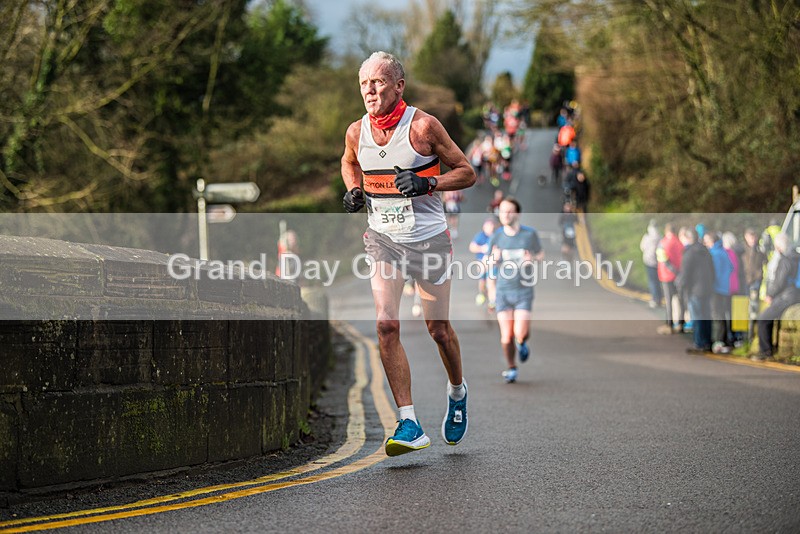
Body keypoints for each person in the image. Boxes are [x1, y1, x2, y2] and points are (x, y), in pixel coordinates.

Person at [341, 51, 476, 456]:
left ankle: (457, 392)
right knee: (386, 325)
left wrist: (427, 183)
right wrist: (353, 189)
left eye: (378, 82)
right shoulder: (356, 131)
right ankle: (408, 421)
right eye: (364, 83)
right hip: (384, 240)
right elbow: (349, 162)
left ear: (399, 86)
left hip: (429, 240)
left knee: (438, 330)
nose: (369, 90)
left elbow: (467, 172)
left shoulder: (422, 127)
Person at [487, 198, 544, 383]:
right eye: (502, 211)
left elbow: (540, 254)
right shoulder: (496, 237)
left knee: (520, 333)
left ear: (518, 213)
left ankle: (522, 342)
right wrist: (494, 259)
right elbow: (486, 265)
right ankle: (511, 368)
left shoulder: (529, 234)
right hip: (503, 292)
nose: (505, 214)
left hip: (523, 292)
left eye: (509, 211)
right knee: (506, 335)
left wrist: (532, 260)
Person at [755, 233, 800, 360]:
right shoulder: (797, 257)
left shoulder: (785, 259)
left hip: (787, 295)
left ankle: (765, 351)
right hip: (796, 294)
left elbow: (780, 281)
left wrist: (770, 294)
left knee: (763, 318)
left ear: (779, 247)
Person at [676, 227, 714, 353]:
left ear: (687, 238)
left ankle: (699, 343)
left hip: (695, 289)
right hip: (707, 288)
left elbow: (685, 273)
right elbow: (712, 269)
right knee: (706, 316)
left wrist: (680, 286)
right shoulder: (705, 250)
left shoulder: (689, 253)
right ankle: (707, 342)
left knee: (697, 317)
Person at [704, 232, 733, 349]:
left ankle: (718, 341)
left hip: (716, 288)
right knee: (722, 314)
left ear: (711, 241)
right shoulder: (723, 252)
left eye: (706, 240)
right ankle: (725, 339)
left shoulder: (713, 253)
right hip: (725, 288)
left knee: (716, 315)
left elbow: (712, 272)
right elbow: (731, 267)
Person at [657, 223, 684, 334]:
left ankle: (669, 324)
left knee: (669, 301)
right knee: (680, 300)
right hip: (679, 276)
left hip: (666, 276)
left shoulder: (662, 243)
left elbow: (662, 259)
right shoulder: (679, 243)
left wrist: (673, 270)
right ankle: (681, 323)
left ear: (666, 231)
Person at [742, 228, 766, 340]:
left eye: (754, 237)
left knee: (753, 309)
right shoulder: (742, 250)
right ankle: (744, 335)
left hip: (755, 283)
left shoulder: (760, 251)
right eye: (750, 237)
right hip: (745, 282)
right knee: (743, 308)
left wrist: (758, 276)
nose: (752, 239)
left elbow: (763, 265)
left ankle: (751, 336)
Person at [469, 218, 498, 306]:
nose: (489, 228)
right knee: (482, 281)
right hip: (482, 263)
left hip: (492, 263)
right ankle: (482, 293)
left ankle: (492, 301)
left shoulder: (497, 236)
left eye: (491, 226)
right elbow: (472, 247)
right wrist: (482, 249)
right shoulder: (480, 236)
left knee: (491, 282)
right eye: (487, 226)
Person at [640, 220, 663, 309]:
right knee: (658, 281)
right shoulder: (660, 237)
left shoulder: (647, 237)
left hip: (649, 261)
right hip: (659, 261)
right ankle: (659, 298)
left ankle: (654, 299)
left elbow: (642, 247)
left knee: (652, 281)